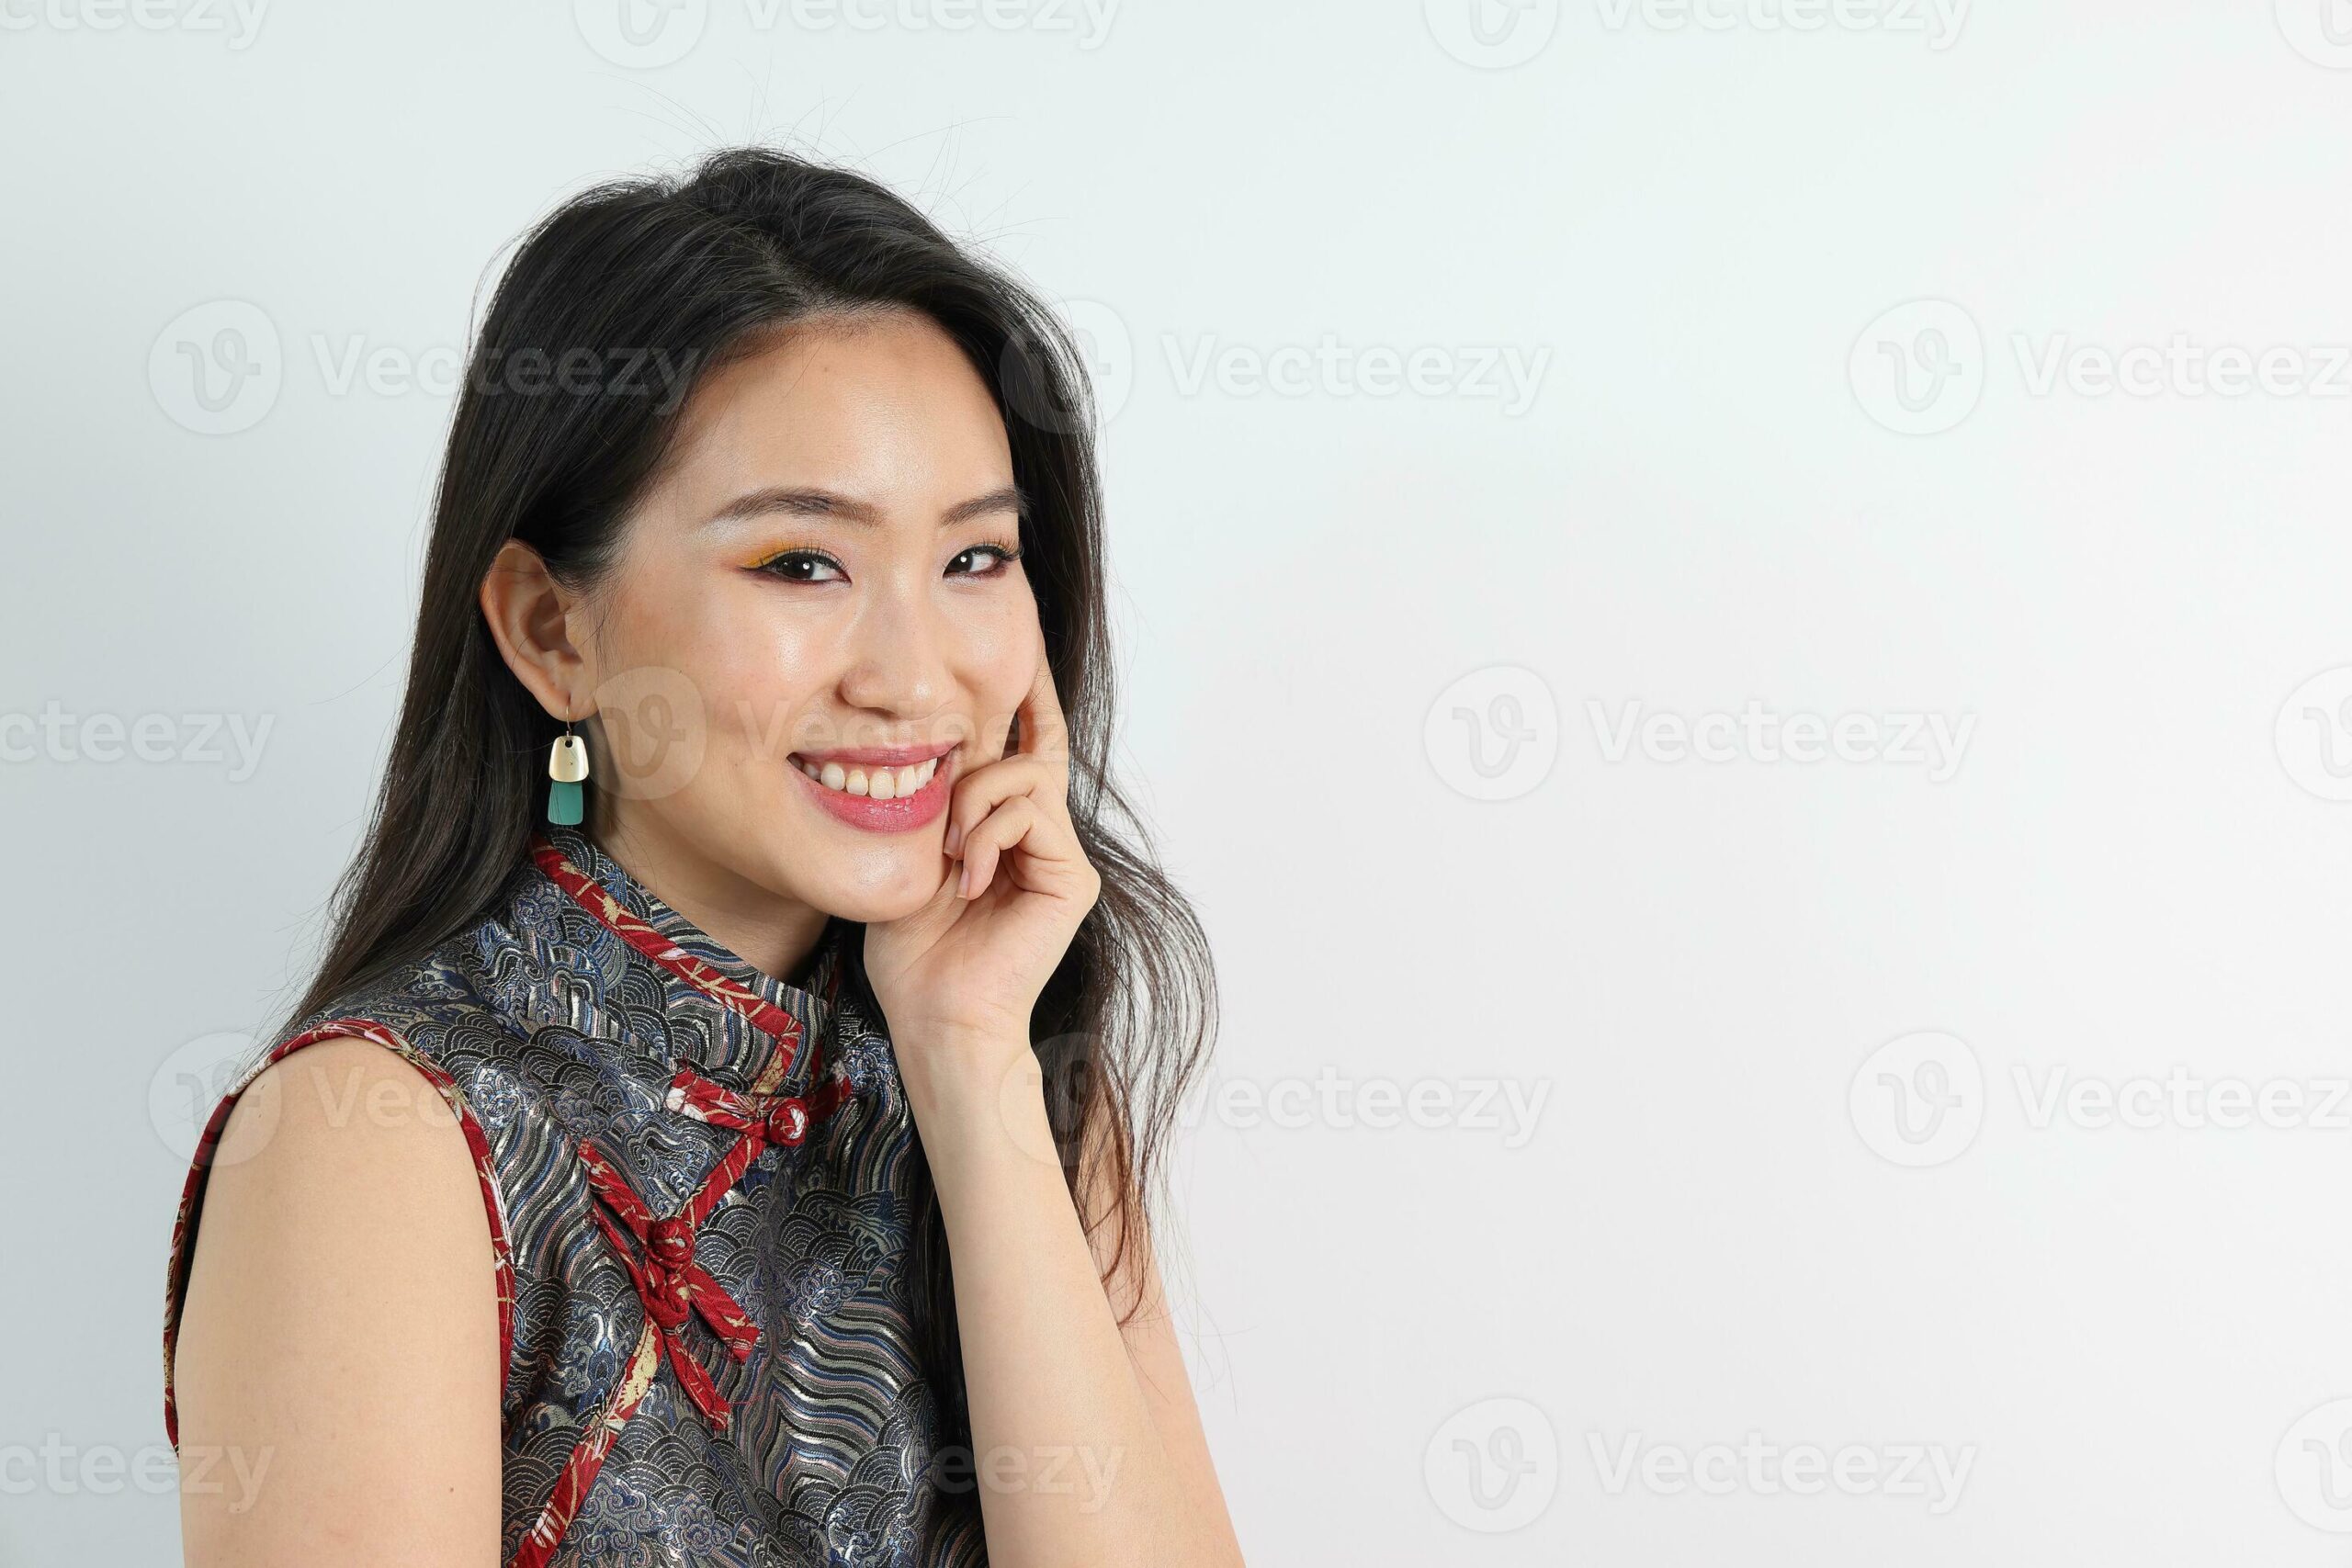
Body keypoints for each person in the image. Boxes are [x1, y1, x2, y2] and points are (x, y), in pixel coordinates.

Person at [161, 145, 1244, 1568]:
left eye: (975, 559)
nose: (916, 679)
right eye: (802, 564)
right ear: (554, 631)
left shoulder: (1016, 1068)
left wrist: (973, 1060)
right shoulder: (382, 1144)